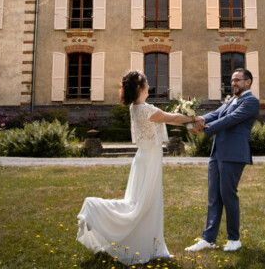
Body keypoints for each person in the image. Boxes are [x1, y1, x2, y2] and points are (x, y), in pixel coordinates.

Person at [77, 70, 195, 265]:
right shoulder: (145, 110)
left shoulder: (137, 107)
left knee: (145, 204)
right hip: (148, 161)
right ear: (140, 87)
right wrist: (192, 118)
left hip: (145, 158)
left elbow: (170, 117)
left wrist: (188, 116)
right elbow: (172, 118)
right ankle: (93, 207)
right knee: (141, 206)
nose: (150, 86)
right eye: (147, 83)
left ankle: (153, 246)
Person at [185, 68, 259, 253]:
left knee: (228, 195)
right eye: (232, 79)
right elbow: (217, 114)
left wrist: (204, 128)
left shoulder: (250, 102)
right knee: (214, 197)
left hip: (233, 154)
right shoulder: (231, 99)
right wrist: (199, 119)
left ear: (248, 82)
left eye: (237, 80)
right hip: (217, 153)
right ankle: (208, 239)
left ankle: (234, 238)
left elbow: (231, 119)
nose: (233, 83)